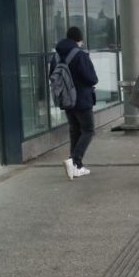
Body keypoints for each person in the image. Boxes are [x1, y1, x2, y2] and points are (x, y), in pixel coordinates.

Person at [50, 26, 99, 180]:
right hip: (81, 98)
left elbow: (52, 75)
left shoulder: (56, 56)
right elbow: (91, 78)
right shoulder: (80, 55)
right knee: (88, 130)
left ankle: (76, 167)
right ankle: (74, 160)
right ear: (79, 40)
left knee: (75, 130)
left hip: (65, 99)